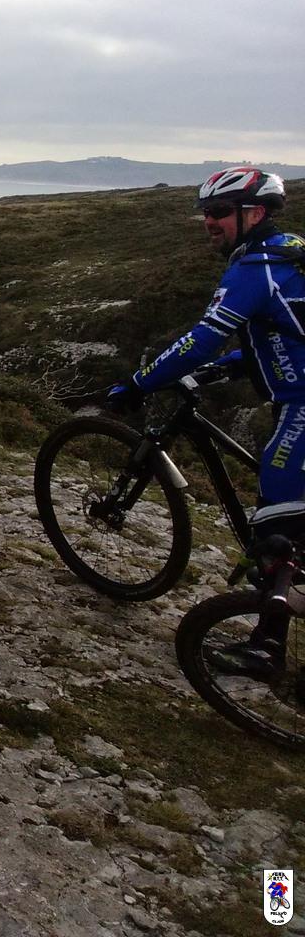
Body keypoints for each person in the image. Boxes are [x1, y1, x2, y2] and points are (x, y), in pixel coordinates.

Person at [106, 167, 305, 676]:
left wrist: (139, 383)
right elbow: (286, 334)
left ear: (253, 213)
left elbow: (200, 340)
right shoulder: (289, 255)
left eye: (218, 212)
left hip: (301, 406)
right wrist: (233, 366)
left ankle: (266, 648)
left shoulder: (257, 268)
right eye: (205, 213)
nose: (208, 222)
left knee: (275, 525)